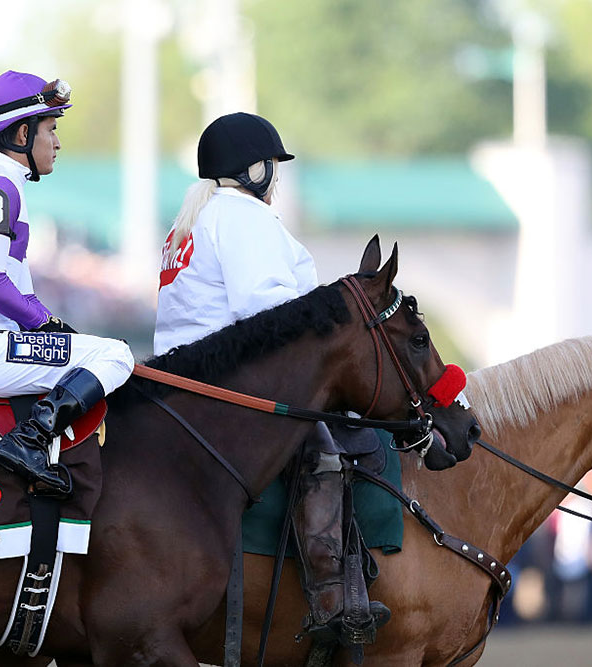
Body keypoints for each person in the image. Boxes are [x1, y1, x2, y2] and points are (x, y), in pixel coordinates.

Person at [153, 112, 390, 647]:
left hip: (185, 380)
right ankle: (332, 596)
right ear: (254, 170)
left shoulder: (193, 219)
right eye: (272, 168)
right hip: (231, 384)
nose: (275, 179)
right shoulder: (240, 216)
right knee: (325, 453)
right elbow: (266, 309)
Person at [0, 71, 134, 497]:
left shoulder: (0, 184)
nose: (57, 142)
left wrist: (47, 324)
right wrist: (46, 321)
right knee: (116, 355)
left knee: (93, 353)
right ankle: (29, 440)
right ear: (23, 133)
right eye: (51, 129)